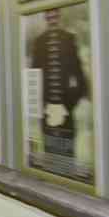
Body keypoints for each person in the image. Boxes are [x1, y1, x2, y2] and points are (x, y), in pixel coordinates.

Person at [29, 8, 88, 158]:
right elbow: (34, 73)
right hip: (47, 104)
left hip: (66, 103)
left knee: (67, 144)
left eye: (55, 16)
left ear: (59, 16)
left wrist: (75, 97)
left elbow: (78, 71)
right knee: (49, 144)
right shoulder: (39, 41)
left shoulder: (69, 38)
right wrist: (39, 102)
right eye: (49, 17)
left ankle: (66, 168)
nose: (52, 19)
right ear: (46, 18)